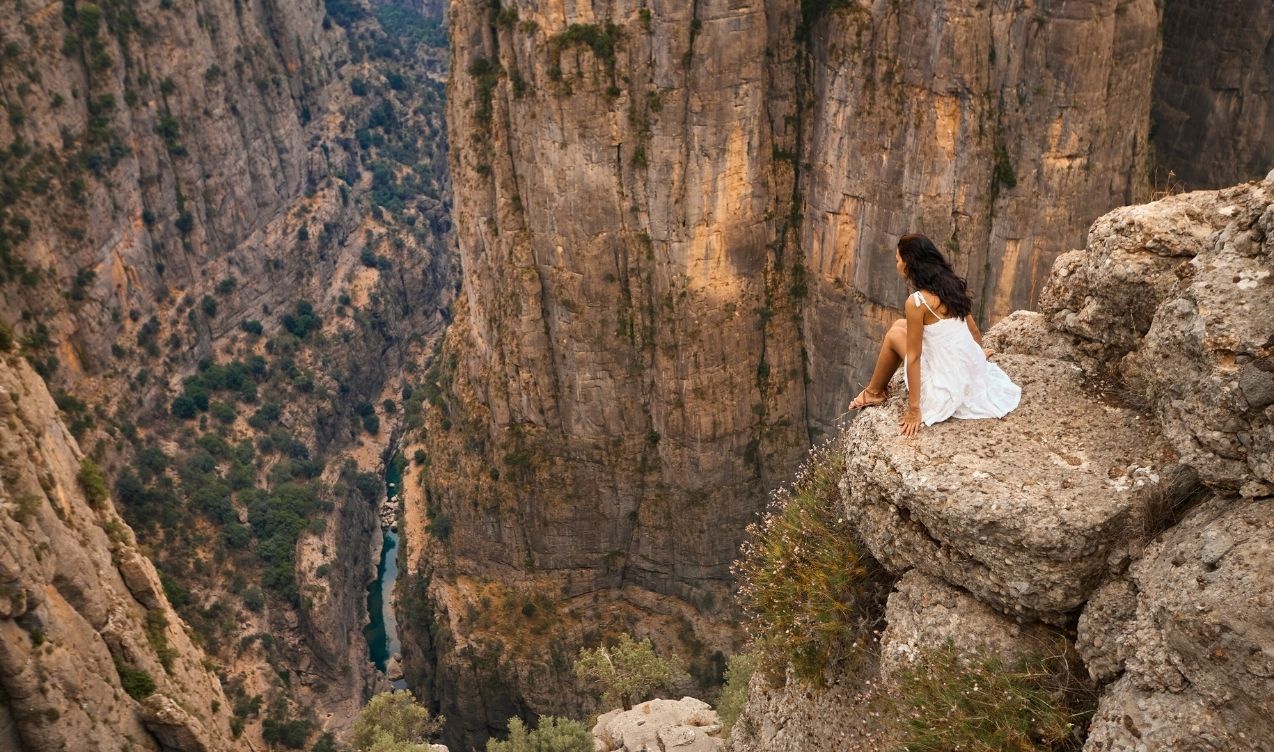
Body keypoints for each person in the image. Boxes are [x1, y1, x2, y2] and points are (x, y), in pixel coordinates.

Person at [848, 233, 1021, 436]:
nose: (896, 264)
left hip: (943, 388)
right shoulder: (950, 285)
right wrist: (977, 358)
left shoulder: (917, 302)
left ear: (909, 264)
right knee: (900, 324)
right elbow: (973, 331)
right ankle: (874, 390)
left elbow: (914, 357)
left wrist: (914, 410)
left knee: (894, 335)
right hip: (966, 374)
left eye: (898, 260)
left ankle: (874, 392)